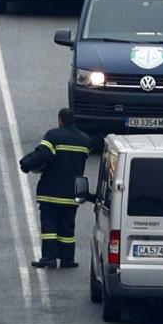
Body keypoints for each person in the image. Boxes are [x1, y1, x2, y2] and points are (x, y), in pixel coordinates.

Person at [19, 108, 98, 269]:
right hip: (71, 193)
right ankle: (67, 259)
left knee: (49, 226)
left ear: (60, 120)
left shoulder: (53, 136)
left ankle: (49, 257)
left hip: (51, 192)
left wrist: (25, 164)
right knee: (67, 227)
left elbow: (42, 156)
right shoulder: (85, 141)